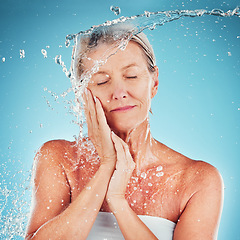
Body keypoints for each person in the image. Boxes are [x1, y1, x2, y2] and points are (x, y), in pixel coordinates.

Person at [25, 24, 224, 240]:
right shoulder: (60, 159)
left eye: (131, 76)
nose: (119, 93)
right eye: (102, 81)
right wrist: (106, 166)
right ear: (82, 93)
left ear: (154, 82)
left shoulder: (197, 180)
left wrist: (118, 201)